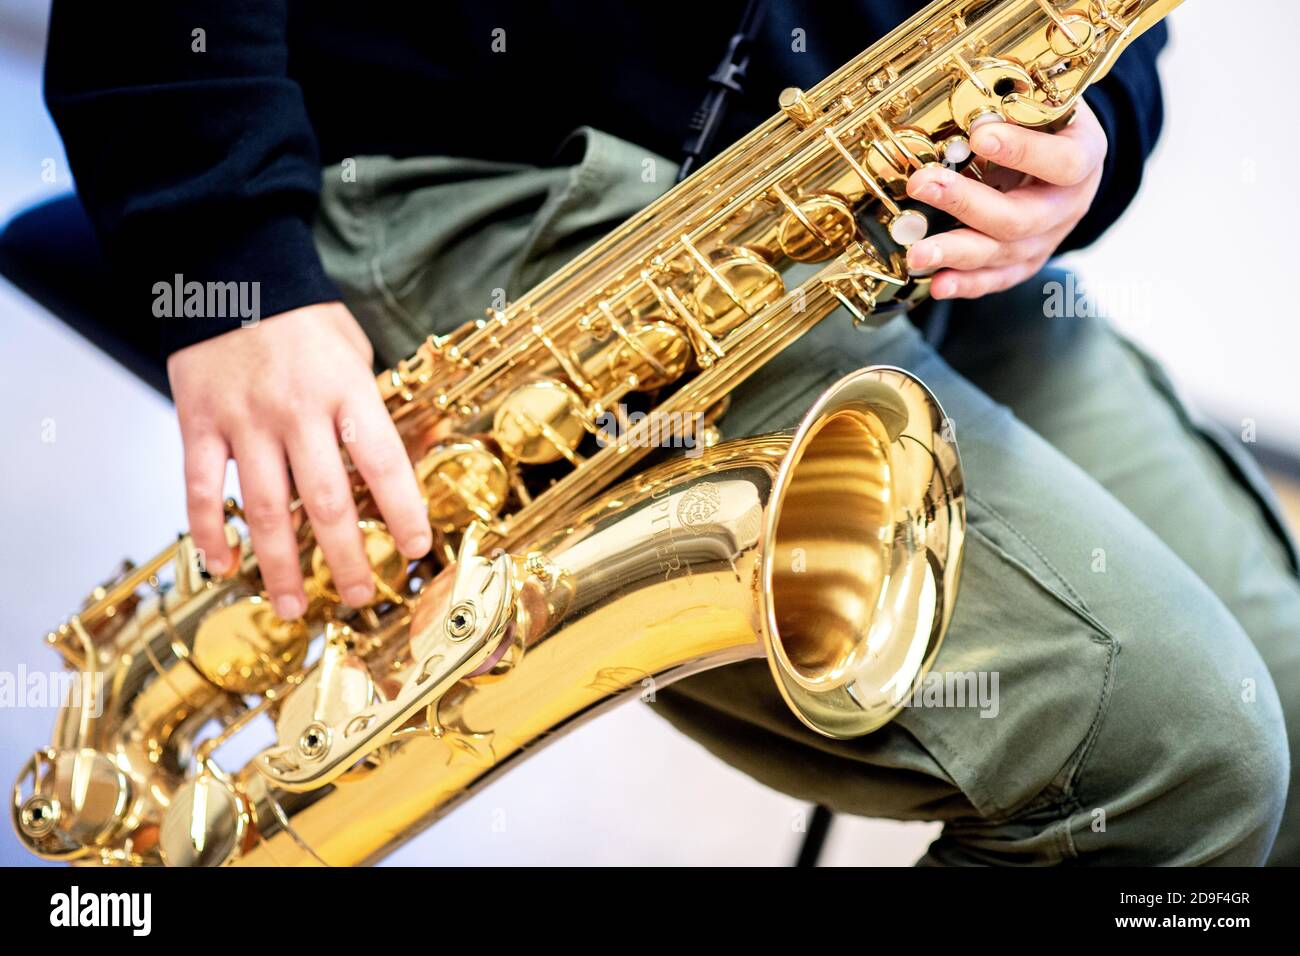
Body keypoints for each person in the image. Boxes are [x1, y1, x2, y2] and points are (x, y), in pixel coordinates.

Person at [42, 1, 1300, 865]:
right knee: (1182, 755)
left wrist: (1089, 138)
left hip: (892, 208)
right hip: (475, 167)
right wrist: (226, 248)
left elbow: (1118, 45)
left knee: (1286, 695)